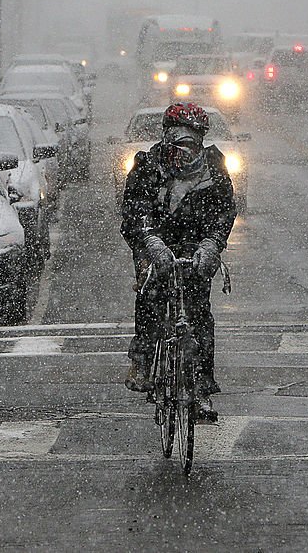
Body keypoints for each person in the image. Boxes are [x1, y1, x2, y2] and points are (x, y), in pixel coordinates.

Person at [120, 102, 237, 421]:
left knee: (199, 313)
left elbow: (225, 209)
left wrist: (212, 243)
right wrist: (150, 242)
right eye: (179, 137)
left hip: (196, 245)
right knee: (150, 301)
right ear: (166, 135)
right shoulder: (147, 164)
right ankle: (143, 362)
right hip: (154, 242)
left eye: (193, 138)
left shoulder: (214, 165)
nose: (186, 146)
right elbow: (133, 210)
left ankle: (200, 387)